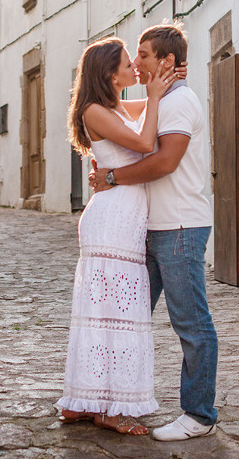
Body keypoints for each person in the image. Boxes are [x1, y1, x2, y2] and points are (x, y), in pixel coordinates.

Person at [91, 23, 218, 442]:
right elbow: (114, 116)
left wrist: (111, 177)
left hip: (179, 226)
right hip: (152, 227)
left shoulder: (180, 102)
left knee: (191, 323)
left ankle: (198, 414)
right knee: (128, 316)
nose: (137, 63)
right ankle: (104, 399)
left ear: (166, 61)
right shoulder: (160, 100)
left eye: (143, 55)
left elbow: (165, 163)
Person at [56, 37, 178, 435]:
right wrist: (156, 95)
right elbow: (145, 141)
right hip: (111, 221)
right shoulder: (95, 110)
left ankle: (84, 401)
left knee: (106, 312)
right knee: (111, 314)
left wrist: (166, 80)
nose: (135, 70)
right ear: (111, 73)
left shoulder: (116, 108)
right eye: (130, 64)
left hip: (122, 217)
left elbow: (152, 111)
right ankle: (107, 409)